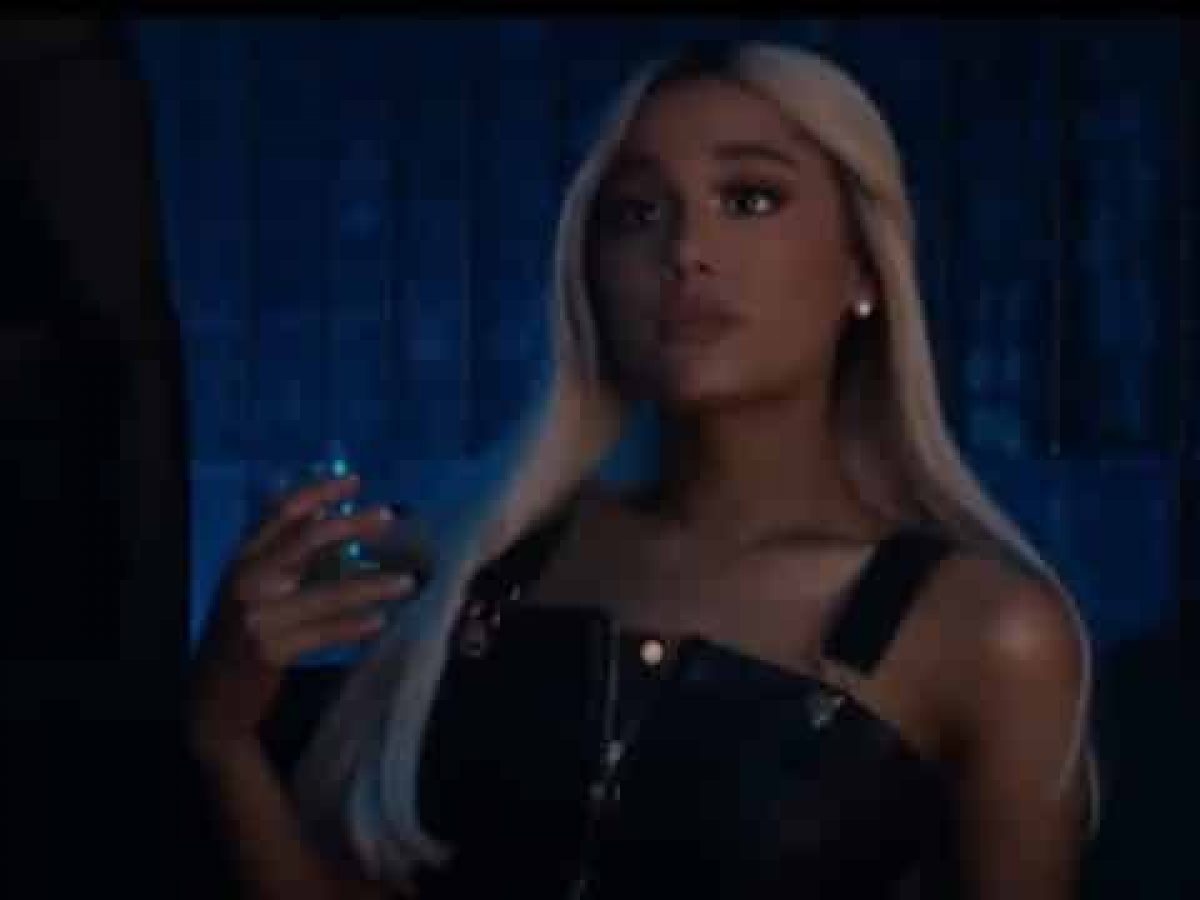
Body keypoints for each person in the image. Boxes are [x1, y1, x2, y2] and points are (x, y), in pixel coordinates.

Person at [187, 41, 1099, 900]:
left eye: (750, 198)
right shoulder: (485, 562)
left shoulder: (991, 635)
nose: (685, 250)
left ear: (863, 269)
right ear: (590, 271)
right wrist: (222, 737)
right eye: (637, 212)